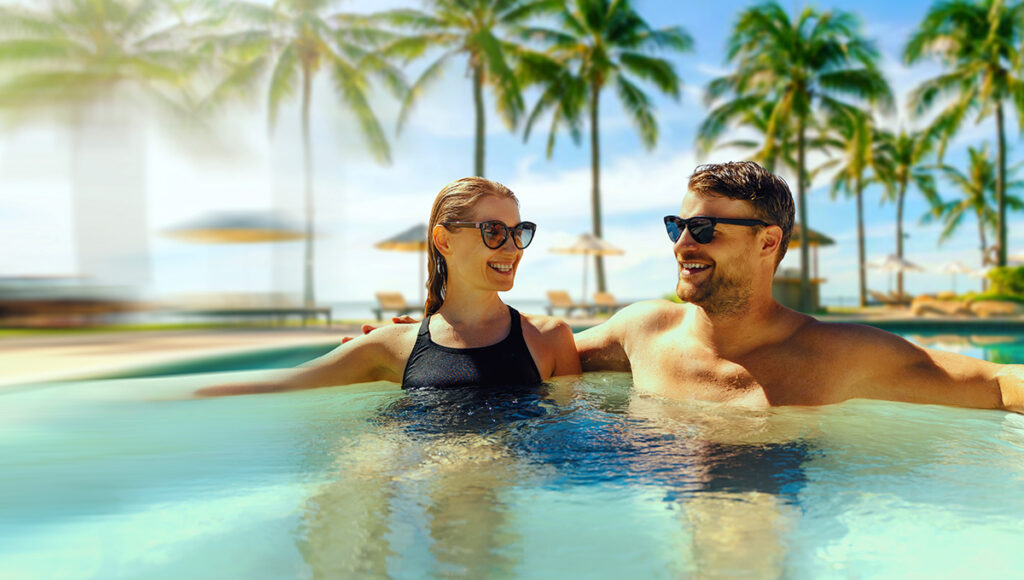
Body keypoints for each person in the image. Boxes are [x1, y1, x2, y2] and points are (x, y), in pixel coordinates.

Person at [574, 161, 1024, 413]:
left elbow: (999, 382)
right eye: (678, 226)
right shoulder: (644, 331)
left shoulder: (836, 355)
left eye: (705, 229)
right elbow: (543, 346)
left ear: (767, 241)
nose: (682, 244)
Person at [195, 176, 580, 397]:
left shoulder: (549, 339)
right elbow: (283, 384)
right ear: (444, 240)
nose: (512, 247)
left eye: (519, 232)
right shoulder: (393, 345)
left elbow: (570, 438)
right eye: (494, 231)